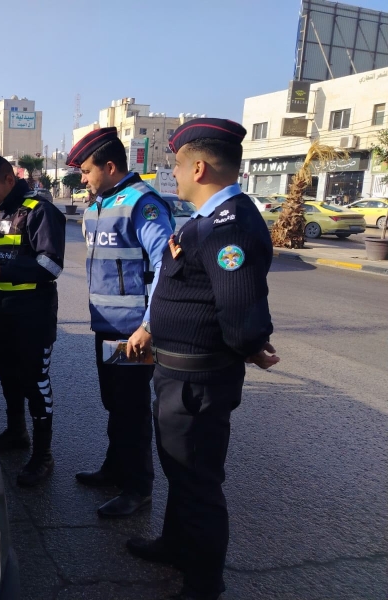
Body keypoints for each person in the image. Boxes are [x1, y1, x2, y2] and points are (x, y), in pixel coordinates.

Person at [125, 118, 279, 600]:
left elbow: (240, 308)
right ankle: (176, 545)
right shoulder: (208, 221)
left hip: (197, 382)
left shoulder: (229, 225)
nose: (172, 174)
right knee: (180, 471)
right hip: (177, 375)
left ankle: (203, 584)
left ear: (198, 167)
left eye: (176, 165)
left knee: (198, 485)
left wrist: (251, 344)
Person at [66, 128, 174, 518]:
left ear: (110, 166)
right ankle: (115, 468)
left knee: (131, 409)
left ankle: (138, 488)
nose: (82, 179)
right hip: (106, 325)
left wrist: (149, 325)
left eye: (86, 170)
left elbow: (167, 265)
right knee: (114, 403)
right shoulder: (100, 204)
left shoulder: (142, 203)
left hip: (132, 331)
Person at [0, 152, 66, 487]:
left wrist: (1, 270)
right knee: (7, 374)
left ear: (10, 179)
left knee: (35, 381)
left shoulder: (40, 211)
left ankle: (43, 455)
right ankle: (17, 432)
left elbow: (51, 265)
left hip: (34, 310)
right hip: (3, 308)